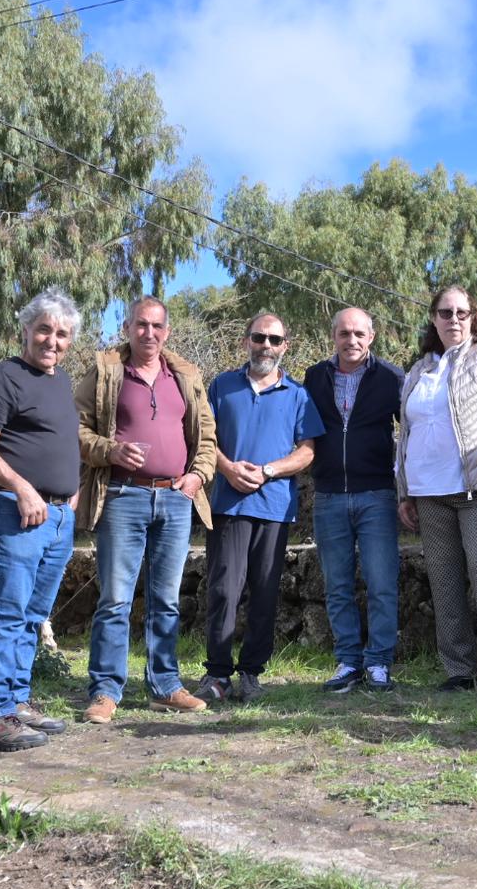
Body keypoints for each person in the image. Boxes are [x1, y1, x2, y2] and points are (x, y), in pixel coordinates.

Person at [77, 296, 217, 723]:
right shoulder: (105, 372)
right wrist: (111, 450)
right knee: (115, 599)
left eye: (157, 326)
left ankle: (165, 686)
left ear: (167, 332)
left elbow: (207, 438)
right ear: (127, 328)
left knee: (166, 600)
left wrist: (198, 477)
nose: (149, 333)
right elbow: (76, 429)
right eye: (141, 325)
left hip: (176, 498)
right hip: (123, 496)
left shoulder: (187, 376)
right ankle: (105, 691)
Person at [397, 287, 477, 702]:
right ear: (433, 318)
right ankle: (460, 671)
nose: (454, 319)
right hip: (428, 494)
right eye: (445, 312)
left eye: (462, 312)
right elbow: (406, 435)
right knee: (444, 579)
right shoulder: (418, 370)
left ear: (474, 317)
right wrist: (404, 491)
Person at [0, 291, 82, 752]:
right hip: (17, 513)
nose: (52, 341)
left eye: (62, 334)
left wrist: (67, 493)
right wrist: (23, 487)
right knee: (7, 613)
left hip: (57, 518)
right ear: (26, 330)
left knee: (33, 616)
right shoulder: (3, 377)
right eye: (44, 330)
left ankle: (17, 702)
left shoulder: (60, 381)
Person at [198, 312, 324, 703]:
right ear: (245, 341)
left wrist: (268, 471)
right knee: (223, 590)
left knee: (266, 592)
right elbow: (203, 437)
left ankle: (251, 672)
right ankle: (217, 674)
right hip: (228, 505)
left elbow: (307, 452)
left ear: (284, 346)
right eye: (258, 337)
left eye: (273, 339)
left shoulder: (299, 395)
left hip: (274, 507)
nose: (265, 345)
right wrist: (228, 468)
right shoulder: (221, 386)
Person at [303, 307, 406, 694]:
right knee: (337, 585)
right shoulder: (315, 376)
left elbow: (413, 432)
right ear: (334, 336)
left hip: (376, 495)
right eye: (344, 333)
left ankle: (379, 662)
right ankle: (348, 661)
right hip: (329, 495)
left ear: (371, 337)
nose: (352, 341)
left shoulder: (392, 377)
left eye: (359, 334)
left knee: (382, 582)